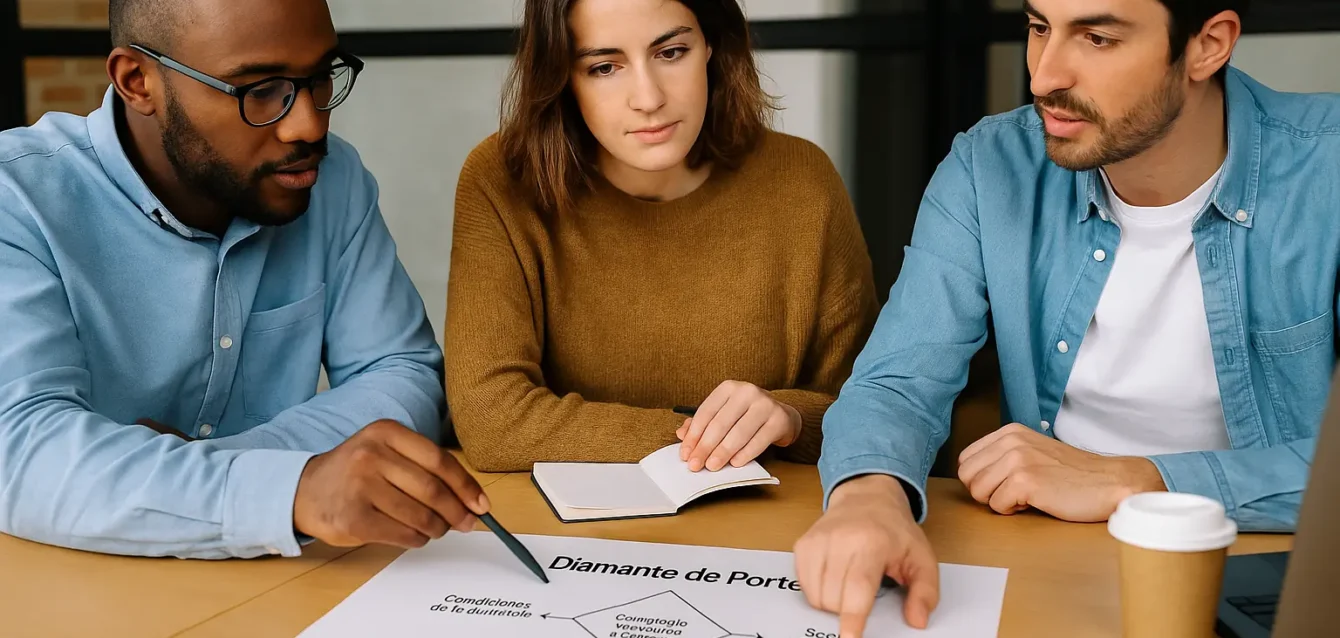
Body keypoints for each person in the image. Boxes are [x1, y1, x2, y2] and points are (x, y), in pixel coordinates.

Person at [795, 0, 1340, 634]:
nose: (1044, 76)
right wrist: (869, 497)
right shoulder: (990, 165)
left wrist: (1139, 481)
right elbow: (899, 380)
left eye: (1098, 38)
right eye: (1038, 28)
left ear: (1207, 46)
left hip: (1275, 578)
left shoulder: (1326, 174)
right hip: (1049, 568)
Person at [0, 0, 489, 560]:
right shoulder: (17, 202)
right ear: (138, 81)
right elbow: (18, 447)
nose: (309, 123)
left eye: (320, 78)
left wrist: (247, 469)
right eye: (260, 90)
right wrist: (289, 491)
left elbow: (401, 371)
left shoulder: (331, 181)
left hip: (293, 586)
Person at [445, 0, 879, 472]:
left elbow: (874, 409)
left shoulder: (801, 180)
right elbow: (493, 421)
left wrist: (793, 419)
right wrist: (714, 441)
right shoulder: (502, 180)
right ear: (562, 75)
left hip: (760, 527)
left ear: (710, 44)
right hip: (566, 534)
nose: (648, 98)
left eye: (671, 53)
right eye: (605, 67)